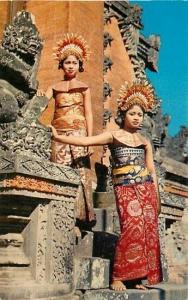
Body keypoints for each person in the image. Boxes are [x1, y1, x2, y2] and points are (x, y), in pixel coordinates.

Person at [48, 79, 163, 291]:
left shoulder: (145, 141)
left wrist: (157, 197)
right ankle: (118, 276)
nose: (137, 118)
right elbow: (87, 141)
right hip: (125, 188)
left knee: (147, 232)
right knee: (131, 229)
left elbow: (152, 170)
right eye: (132, 114)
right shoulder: (114, 135)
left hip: (146, 189)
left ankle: (136, 278)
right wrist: (60, 137)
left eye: (140, 115)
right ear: (123, 114)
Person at [38, 33, 96, 228]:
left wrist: (90, 140)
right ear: (61, 65)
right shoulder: (55, 87)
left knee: (81, 173)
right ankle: (58, 211)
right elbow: (41, 103)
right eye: (67, 62)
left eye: (74, 62)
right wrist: (37, 95)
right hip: (59, 134)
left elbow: (88, 114)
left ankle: (80, 216)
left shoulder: (84, 87)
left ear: (80, 64)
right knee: (60, 170)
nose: (70, 65)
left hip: (79, 133)